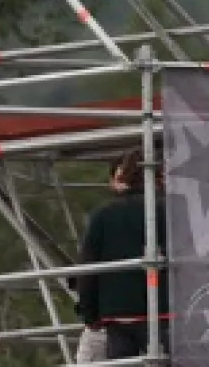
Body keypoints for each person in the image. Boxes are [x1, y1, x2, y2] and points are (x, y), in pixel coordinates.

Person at [76, 148, 170, 361]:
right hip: (165, 311)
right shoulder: (171, 211)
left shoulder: (103, 215)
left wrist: (90, 315)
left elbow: (88, 268)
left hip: (118, 314)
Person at [71, 155, 130, 363]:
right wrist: (91, 317)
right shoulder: (103, 218)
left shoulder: (103, 217)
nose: (125, 185)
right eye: (121, 178)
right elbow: (87, 266)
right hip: (108, 318)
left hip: (120, 318)